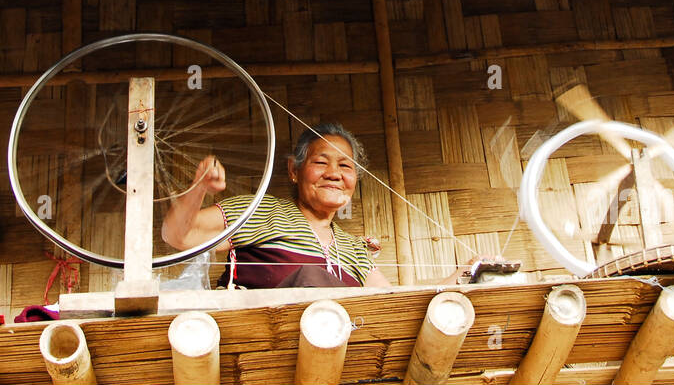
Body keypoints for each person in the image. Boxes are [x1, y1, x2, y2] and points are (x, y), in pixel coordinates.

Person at [161, 122, 496, 289]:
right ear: (294, 170)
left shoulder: (353, 247)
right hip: (266, 344)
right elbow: (180, 236)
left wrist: (463, 273)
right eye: (321, 163)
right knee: (311, 277)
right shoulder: (261, 211)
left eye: (346, 167)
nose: (334, 174)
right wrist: (199, 188)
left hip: (343, 354)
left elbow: (389, 299)